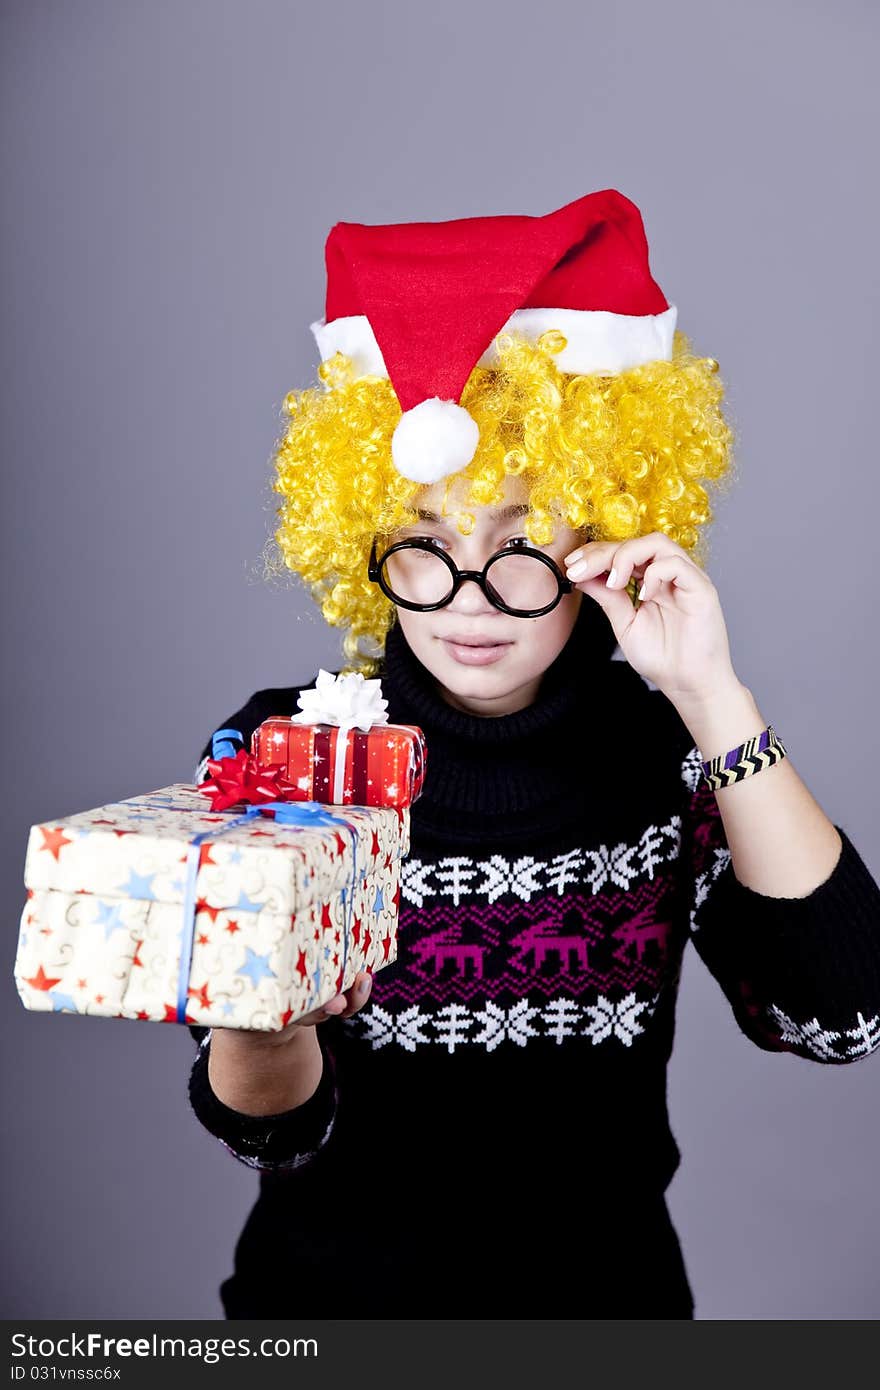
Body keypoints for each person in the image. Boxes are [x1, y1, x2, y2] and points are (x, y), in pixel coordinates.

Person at [186, 189, 880, 1319]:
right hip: (326, 1317)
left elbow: (844, 1016)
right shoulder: (288, 750)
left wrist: (711, 695)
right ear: (361, 534)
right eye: (423, 541)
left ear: (601, 533)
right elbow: (271, 1131)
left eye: (521, 543)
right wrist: (270, 1016)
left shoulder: (666, 756)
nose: (470, 599)